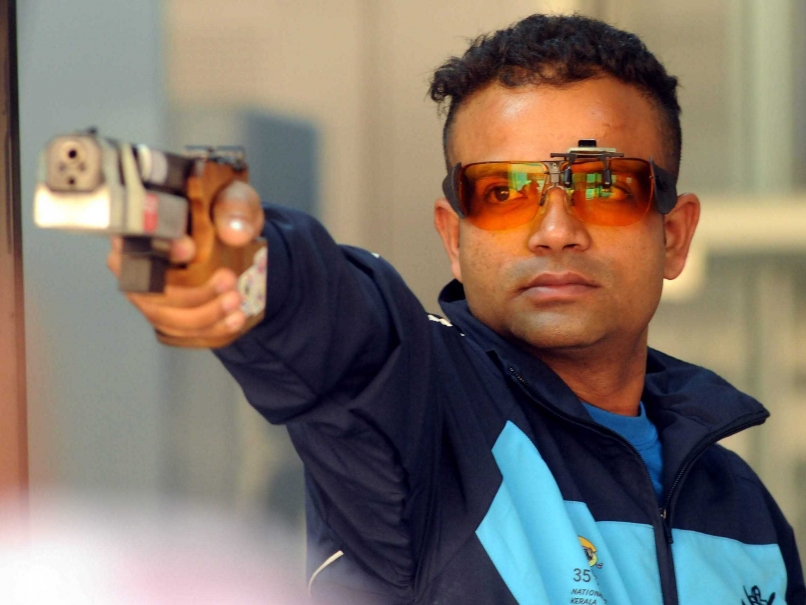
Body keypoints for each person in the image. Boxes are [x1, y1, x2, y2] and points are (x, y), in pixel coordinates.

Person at [107, 13, 805, 605]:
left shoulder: (744, 509)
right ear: (453, 236)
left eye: (604, 187)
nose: (555, 230)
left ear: (673, 235)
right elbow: (342, 323)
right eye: (502, 193)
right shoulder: (423, 416)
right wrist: (245, 259)